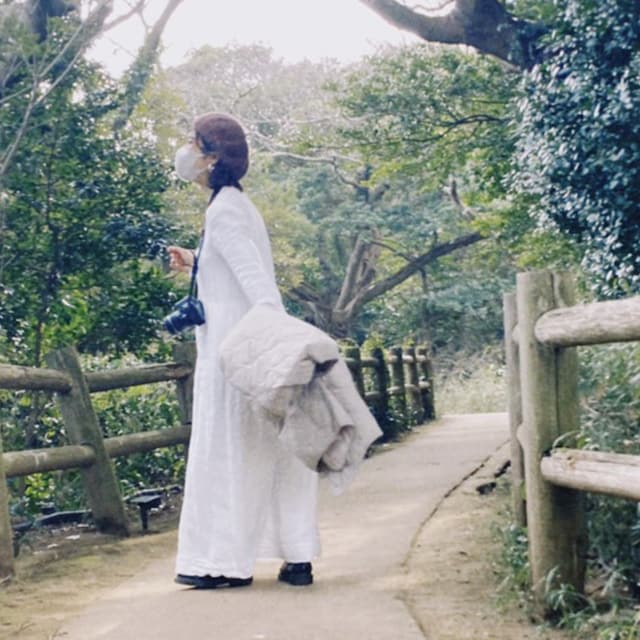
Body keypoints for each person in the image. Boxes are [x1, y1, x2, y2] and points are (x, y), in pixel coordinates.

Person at [167, 113, 319, 589]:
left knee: (229, 452)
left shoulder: (224, 211)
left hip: (236, 354)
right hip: (247, 348)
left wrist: (271, 338)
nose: (185, 152)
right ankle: (297, 556)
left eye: (193, 144)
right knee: (273, 454)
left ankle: (222, 563)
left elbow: (258, 285)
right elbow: (238, 268)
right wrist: (196, 261)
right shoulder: (235, 205)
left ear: (212, 157)